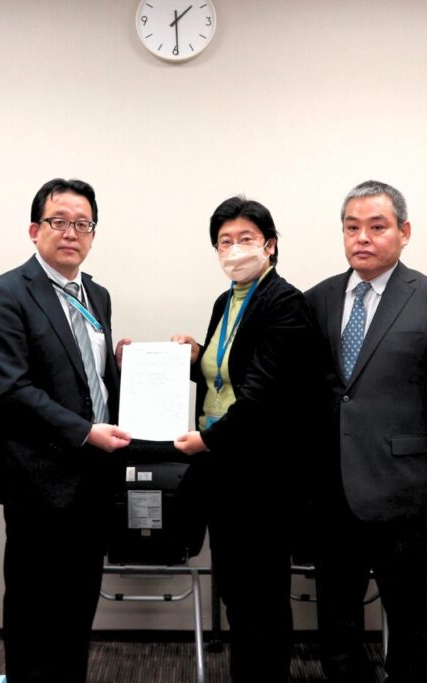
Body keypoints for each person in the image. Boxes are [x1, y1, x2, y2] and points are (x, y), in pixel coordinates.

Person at [305, 180, 427, 683]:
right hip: (332, 488)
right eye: (351, 227)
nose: (362, 238)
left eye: (377, 227)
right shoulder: (317, 299)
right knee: (336, 620)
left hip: (406, 489)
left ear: (404, 232)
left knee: (410, 620)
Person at [0, 178, 131, 683]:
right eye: (59, 221)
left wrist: (124, 368)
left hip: (94, 478)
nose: (71, 233)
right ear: (34, 229)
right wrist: (85, 432)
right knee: (34, 610)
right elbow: (9, 387)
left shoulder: (97, 294)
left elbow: (86, 377)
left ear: (93, 234)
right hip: (38, 481)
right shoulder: (6, 292)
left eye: (83, 224)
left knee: (78, 607)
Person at [170, 196, 320, 682]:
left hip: (262, 474)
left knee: (262, 599)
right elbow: (223, 375)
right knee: (236, 592)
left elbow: (262, 395)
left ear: (270, 245)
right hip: (224, 470)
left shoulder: (285, 302)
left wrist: (207, 441)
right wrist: (190, 356)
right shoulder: (227, 300)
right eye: (224, 241)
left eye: (246, 239)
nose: (234, 249)